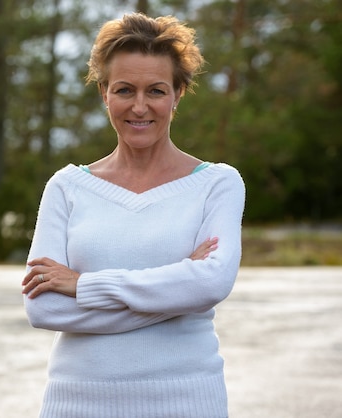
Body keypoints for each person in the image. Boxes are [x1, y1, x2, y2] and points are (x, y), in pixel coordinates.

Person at [21, 12, 245, 418]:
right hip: (77, 402)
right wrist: (177, 290)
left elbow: (211, 282)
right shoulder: (67, 188)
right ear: (104, 93)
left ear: (178, 93)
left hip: (186, 400)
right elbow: (44, 308)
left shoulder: (218, 184)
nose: (140, 107)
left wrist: (84, 286)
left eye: (156, 91)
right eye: (125, 90)